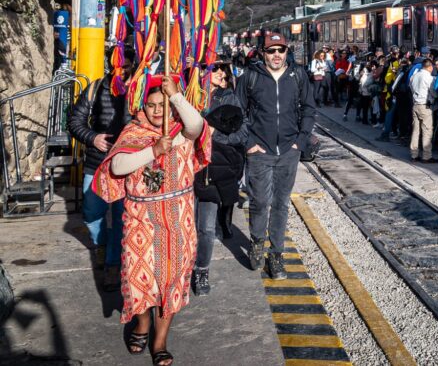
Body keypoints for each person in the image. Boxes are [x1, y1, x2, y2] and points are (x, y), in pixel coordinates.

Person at [91, 75, 210, 366]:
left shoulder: (182, 130)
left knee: (171, 281)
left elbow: (197, 126)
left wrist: (177, 96)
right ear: (142, 106)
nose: (158, 111)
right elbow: (118, 166)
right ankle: (142, 324)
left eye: (164, 104)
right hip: (141, 219)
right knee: (138, 280)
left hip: (177, 218)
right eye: (152, 105)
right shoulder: (133, 131)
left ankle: (160, 342)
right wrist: (154, 150)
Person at [236, 33, 317, 279]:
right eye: (271, 51)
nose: (277, 55)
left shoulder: (298, 75)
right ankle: (258, 241)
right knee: (260, 201)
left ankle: (276, 255)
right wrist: (248, 142)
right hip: (259, 152)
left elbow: (310, 109)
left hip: (289, 152)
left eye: (281, 50)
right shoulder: (249, 77)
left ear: (286, 51)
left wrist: (300, 142)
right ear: (263, 52)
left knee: (281, 204)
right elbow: (236, 112)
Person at [69, 51, 133, 291]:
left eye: (127, 67)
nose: (123, 71)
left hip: (125, 164)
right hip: (96, 162)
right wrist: (93, 138)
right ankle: (102, 245)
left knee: (120, 217)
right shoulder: (96, 88)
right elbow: (75, 121)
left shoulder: (138, 89)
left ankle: (113, 265)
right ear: (110, 65)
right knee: (91, 212)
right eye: (119, 66)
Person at [191, 61, 246, 296]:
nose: (220, 72)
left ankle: (201, 269)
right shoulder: (185, 94)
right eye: (214, 68)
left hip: (211, 171)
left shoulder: (229, 98)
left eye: (222, 68)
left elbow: (242, 133)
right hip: (184, 169)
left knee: (205, 227)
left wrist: (215, 135)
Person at [409, 59, 436, 162]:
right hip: (425, 106)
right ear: (429, 67)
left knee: (415, 131)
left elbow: (411, 88)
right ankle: (426, 156)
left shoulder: (414, 76)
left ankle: (414, 155)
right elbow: (433, 92)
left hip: (415, 105)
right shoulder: (429, 78)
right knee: (427, 131)